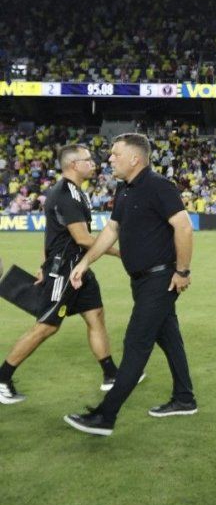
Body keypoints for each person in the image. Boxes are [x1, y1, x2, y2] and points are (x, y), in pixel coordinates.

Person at [62, 133, 197, 435]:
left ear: (135, 158)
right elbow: (110, 232)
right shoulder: (124, 190)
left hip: (161, 279)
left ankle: (104, 416)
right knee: (169, 338)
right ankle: (185, 398)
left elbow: (184, 228)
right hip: (142, 282)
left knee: (135, 344)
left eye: (114, 154)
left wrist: (183, 271)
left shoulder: (159, 186)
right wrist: (84, 263)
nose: (109, 159)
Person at [1, 144, 120, 405]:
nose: (94, 163)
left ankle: (111, 375)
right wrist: (122, 253)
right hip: (66, 271)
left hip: (78, 268)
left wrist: (43, 265)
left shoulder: (77, 193)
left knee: (96, 315)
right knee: (46, 327)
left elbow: (52, 234)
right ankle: (2, 378)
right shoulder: (65, 194)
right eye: (88, 160)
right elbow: (83, 238)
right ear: (73, 165)